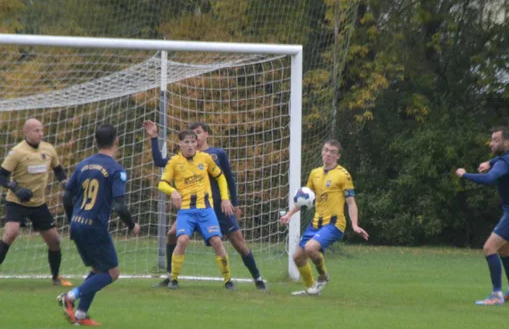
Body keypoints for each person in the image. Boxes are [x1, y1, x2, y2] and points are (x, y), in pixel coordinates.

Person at [145, 119, 267, 290]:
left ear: (206, 134)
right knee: (173, 234)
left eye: (199, 133)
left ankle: (258, 278)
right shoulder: (179, 159)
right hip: (192, 207)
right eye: (191, 135)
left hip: (219, 207)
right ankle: (170, 276)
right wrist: (154, 137)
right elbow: (158, 162)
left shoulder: (215, 155)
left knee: (239, 243)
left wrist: (233, 202)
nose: (196, 138)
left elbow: (228, 178)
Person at [57, 124, 140, 326]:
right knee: (112, 273)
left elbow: (67, 196)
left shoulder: (83, 165)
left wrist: (71, 221)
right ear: (117, 141)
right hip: (94, 226)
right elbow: (119, 206)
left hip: (78, 223)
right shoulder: (116, 170)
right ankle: (70, 296)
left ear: (96, 142)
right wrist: (132, 225)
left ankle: (80, 316)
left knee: (97, 269)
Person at [0, 118, 71, 288]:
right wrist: (15, 188)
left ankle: (56, 277)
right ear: (27, 133)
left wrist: (64, 182)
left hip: (38, 203)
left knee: (55, 241)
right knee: (11, 233)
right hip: (17, 202)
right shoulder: (17, 152)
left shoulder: (49, 149)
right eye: (36, 130)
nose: (41, 133)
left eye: (42, 130)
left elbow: (59, 170)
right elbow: (0, 177)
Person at [455, 126, 509, 305]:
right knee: (505, 250)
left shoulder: (503, 163)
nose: (491, 143)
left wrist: (465, 174)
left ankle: (497, 296)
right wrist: (490, 162)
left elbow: (490, 179)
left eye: (496, 140)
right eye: (492, 139)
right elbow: (500, 159)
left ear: (506, 142)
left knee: (489, 248)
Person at [279, 139, 368, 296]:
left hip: (334, 224)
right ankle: (311, 290)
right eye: (326, 150)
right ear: (322, 151)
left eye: (332, 152)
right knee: (298, 258)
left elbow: (351, 202)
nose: (328, 154)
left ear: (338, 156)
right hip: (315, 224)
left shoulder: (343, 175)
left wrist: (354, 224)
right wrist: (289, 214)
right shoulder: (315, 173)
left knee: (310, 248)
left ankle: (323, 276)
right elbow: (304, 200)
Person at [157, 129, 234, 289]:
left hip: (206, 209)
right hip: (186, 210)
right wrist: (173, 192)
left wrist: (225, 198)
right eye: (187, 142)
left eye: (193, 141)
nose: (190, 145)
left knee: (217, 241)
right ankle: (174, 279)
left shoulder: (205, 158)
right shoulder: (174, 162)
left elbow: (220, 177)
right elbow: (162, 183)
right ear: (180, 144)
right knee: (182, 240)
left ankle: (228, 280)